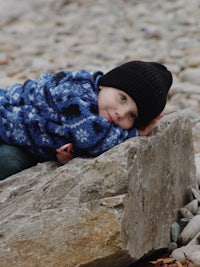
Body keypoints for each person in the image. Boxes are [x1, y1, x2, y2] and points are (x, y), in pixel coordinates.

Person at [0, 60, 173, 180]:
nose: (121, 113)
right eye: (122, 98)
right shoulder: (75, 88)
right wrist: (135, 134)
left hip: (21, 143)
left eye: (132, 116)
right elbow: (90, 138)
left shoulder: (99, 118)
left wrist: (74, 156)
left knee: (8, 161)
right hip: (4, 115)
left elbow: (87, 145)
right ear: (106, 83)